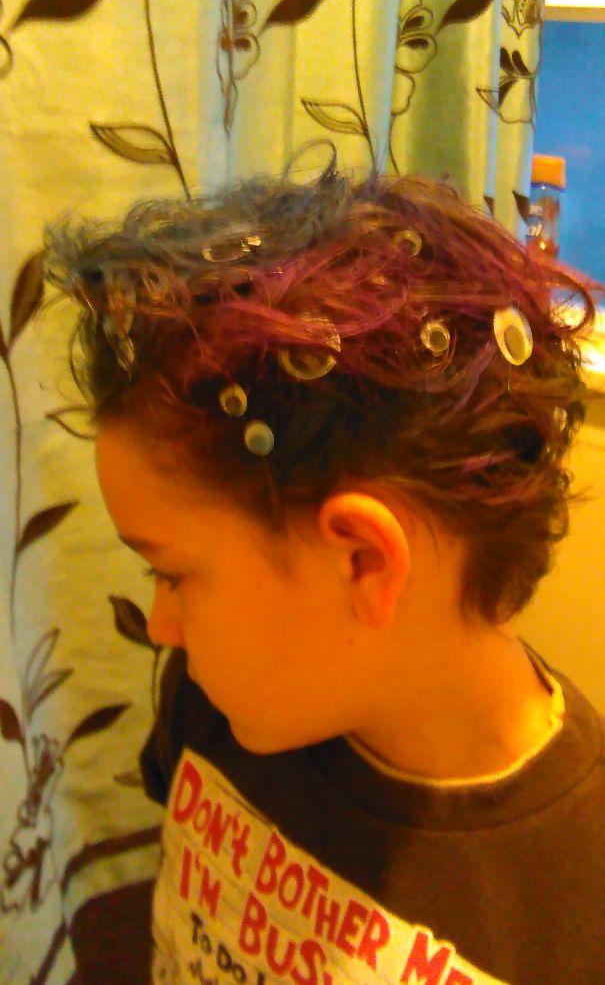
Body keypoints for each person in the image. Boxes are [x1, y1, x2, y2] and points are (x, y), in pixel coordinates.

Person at [42, 155, 605, 985]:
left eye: (175, 575)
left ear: (361, 559)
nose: (160, 626)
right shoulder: (220, 705)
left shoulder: (577, 899)